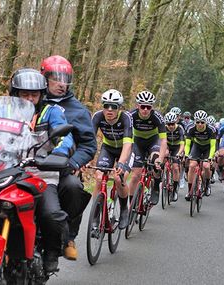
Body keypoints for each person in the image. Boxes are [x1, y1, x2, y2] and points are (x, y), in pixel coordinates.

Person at [10, 68, 74, 272]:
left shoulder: (51, 112)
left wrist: (60, 153)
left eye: (34, 94)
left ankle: (52, 253)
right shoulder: (5, 112)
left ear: (41, 95)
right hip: (7, 173)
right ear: (15, 94)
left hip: (41, 174)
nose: (29, 98)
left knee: (51, 214)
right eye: (24, 94)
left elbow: (66, 137)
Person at [40, 55, 97, 260]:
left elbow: (89, 145)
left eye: (66, 78)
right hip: (27, 164)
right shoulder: (32, 98)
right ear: (43, 78)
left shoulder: (79, 110)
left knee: (74, 187)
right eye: (56, 77)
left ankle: (68, 236)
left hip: (61, 167)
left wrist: (73, 163)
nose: (61, 83)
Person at [91, 89, 133, 229]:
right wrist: (86, 159)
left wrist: (121, 163)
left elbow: (127, 144)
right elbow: (89, 140)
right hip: (108, 149)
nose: (109, 110)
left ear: (119, 108)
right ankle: (96, 215)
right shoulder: (97, 117)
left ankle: (124, 210)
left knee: (118, 178)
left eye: (113, 106)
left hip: (125, 150)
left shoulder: (125, 118)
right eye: (106, 105)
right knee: (99, 177)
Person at [128, 91, 167, 205]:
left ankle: (155, 186)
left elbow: (163, 140)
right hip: (137, 142)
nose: (145, 109)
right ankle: (131, 204)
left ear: (152, 107)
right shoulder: (131, 115)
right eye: (142, 106)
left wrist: (160, 157)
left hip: (153, 142)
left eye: (148, 107)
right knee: (135, 175)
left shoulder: (157, 117)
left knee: (156, 160)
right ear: (137, 106)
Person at [185, 110, 217, 199]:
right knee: (192, 165)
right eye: (197, 122)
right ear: (195, 121)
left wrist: (210, 157)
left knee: (206, 166)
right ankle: (190, 191)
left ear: (205, 122)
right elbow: (187, 144)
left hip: (207, 147)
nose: (199, 124)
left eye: (202, 122)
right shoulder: (191, 128)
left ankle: (207, 185)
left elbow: (213, 145)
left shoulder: (211, 129)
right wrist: (187, 155)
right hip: (197, 146)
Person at [164, 112, 185, 201]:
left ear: (175, 123)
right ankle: (163, 176)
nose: (171, 126)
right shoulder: (164, 129)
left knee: (176, 168)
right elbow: (161, 141)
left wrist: (179, 153)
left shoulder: (180, 128)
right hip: (168, 145)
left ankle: (175, 190)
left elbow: (182, 143)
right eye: (169, 124)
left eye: (172, 124)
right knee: (164, 155)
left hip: (177, 147)